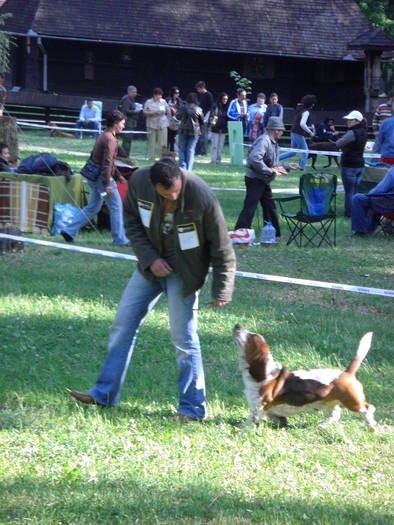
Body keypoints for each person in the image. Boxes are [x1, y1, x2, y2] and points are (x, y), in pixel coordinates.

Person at [69, 157, 236, 421]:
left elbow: (222, 246)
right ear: (153, 185)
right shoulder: (139, 183)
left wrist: (222, 289)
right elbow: (132, 223)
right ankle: (103, 395)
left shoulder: (201, 196)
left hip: (185, 273)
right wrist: (150, 260)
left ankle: (192, 409)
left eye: (176, 192)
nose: (172, 197)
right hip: (149, 269)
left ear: (180, 179)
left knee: (184, 338)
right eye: (166, 194)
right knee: (122, 324)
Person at [61, 110, 129, 245]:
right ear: (115, 123)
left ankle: (69, 230)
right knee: (116, 206)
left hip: (94, 178)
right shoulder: (110, 139)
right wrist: (108, 184)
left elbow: (105, 160)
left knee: (93, 207)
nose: (123, 126)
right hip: (102, 179)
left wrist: (118, 176)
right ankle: (119, 239)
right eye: (122, 123)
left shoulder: (104, 135)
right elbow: (107, 162)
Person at [234, 117, 298, 237]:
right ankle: (240, 234)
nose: (282, 132)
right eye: (281, 130)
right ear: (275, 130)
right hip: (255, 179)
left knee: (269, 207)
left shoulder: (273, 142)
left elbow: (274, 164)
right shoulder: (264, 141)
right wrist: (269, 171)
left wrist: (288, 166)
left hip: (263, 179)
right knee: (250, 208)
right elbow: (254, 159)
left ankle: (274, 234)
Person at [335, 110, 367, 218]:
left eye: (350, 120)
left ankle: (349, 213)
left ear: (356, 121)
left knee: (349, 192)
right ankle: (356, 212)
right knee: (356, 191)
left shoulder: (352, 133)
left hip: (349, 165)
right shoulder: (364, 131)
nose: (348, 122)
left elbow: (338, 144)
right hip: (360, 165)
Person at [351, 166, 394, 235]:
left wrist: (368, 195)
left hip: (390, 207)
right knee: (376, 201)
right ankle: (369, 228)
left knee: (358, 198)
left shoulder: (392, 171)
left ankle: (360, 232)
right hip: (388, 203)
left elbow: (380, 190)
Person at [279, 94, 317, 170]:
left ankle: (275, 159)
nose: (314, 104)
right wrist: (310, 132)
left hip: (293, 132)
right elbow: (302, 124)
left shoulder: (300, 109)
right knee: (305, 152)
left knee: (292, 152)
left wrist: (307, 127)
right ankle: (302, 168)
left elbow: (300, 123)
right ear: (311, 104)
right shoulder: (306, 112)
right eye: (313, 103)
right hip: (298, 133)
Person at [174, 92, 204, 171]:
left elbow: (177, 117)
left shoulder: (183, 108)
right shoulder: (199, 109)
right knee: (190, 150)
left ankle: (182, 167)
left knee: (181, 149)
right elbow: (202, 122)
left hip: (183, 130)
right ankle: (189, 169)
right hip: (195, 132)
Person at [144, 88, 171, 161]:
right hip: (151, 124)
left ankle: (162, 158)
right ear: (154, 95)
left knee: (162, 143)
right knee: (151, 143)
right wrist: (154, 112)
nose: (159, 97)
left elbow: (168, 112)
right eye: (158, 95)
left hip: (162, 124)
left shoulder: (164, 101)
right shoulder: (148, 102)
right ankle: (151, 158)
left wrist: (168, 122)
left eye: (161, 95)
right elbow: (145, 112)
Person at [118, 85, 141, 157]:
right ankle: (124, 155)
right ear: (129, 92)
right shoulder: (127, 99)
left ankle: (126, 155)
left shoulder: (131, 99)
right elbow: (126, 111)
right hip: (128, 123)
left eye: (136, 92)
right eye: (133, 92)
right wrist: (136, 111)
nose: (135, 93)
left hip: (131, 122)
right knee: (127, 139)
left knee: (129, 140)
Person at [194, 81, 214, 156]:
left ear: (201, 87)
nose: (197, 91)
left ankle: (202, 152)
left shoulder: (209, 95)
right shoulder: (201, 95)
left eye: (198, 89)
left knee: (203, 135)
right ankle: (197, 151)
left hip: (205, 117)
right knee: (198, 134)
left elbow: (210, 108)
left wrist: (206, 118)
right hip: (200, 116)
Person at [209, 92, 229, 164]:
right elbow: (212, 116)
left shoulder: (228, 107)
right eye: (224, 99)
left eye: (226, 99)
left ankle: (218, 159)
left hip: (223, 128)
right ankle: (213, 160)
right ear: (220, 98)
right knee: (214, 145)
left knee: (220, 146)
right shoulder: (215, 106)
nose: (225, 100)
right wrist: (210, 125)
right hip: (215, 128)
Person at [166, 86, 183, 156]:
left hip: (176, 122)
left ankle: (172, 152)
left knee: (174, 138)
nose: (177, 94)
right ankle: (165, 152)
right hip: (168, 121)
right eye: (176, 93)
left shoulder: (179, 100)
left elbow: (181, 109)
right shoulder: (167, 99)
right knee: (167, 137)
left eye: (178, 93)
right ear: (172, 93)